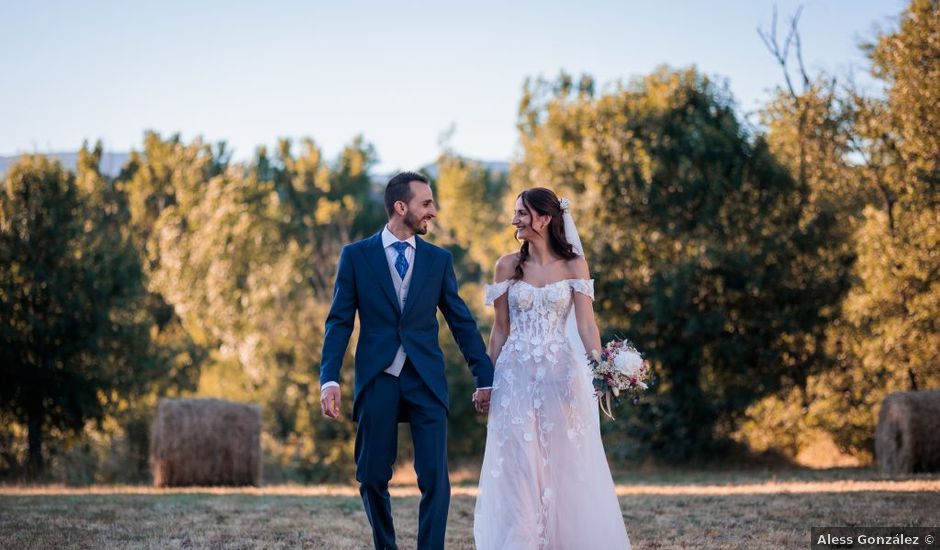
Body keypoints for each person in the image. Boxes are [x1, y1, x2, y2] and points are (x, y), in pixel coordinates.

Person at [319, 171, 494, 550]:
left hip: (425, 379)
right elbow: (339, 321)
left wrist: (485, 375)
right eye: (426, 203)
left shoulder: (438, 260)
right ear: (402, 207)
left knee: (436, 479)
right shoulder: (356, 257)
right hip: (378, 377)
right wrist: (329, 378)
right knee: (370, 476)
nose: (433, 210)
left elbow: (460, 320)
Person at [473, 187, 631, 549]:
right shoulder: (506, 265)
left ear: (544, 218)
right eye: (515, 213)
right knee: (518, 466)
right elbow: (499, 330)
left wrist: (604, 369)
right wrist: (486, 382)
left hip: (561, 376)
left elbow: (587, 326)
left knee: (563, 464)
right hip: (514, 376)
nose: (515, 219)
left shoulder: (574, 265)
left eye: (522, 213)